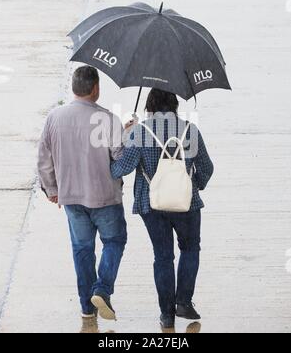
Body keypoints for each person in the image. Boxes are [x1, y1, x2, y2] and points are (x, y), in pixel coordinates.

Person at [111, 88, 214, 329]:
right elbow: (207, 168)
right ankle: (184, 302)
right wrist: (193, 185)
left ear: (149, 107)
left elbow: (121, 169)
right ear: (175, 106)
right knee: (190, 248)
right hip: (186, 204)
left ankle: (166, 314)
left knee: (163, 256)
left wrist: (125, 138)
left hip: (151, 204)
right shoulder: (190, 130)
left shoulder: (140, 132)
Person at [38, 66, 127, 330]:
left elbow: (44, 159)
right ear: (95, 88)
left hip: (72, 196)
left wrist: (52, 189)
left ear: (74, 88)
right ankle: (102, 289)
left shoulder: (54, 117)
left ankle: (87, 309)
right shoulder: (108, 119)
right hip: (105, 197)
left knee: (82, 250)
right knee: (115, 241)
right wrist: (127, 133)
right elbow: (121, 159)